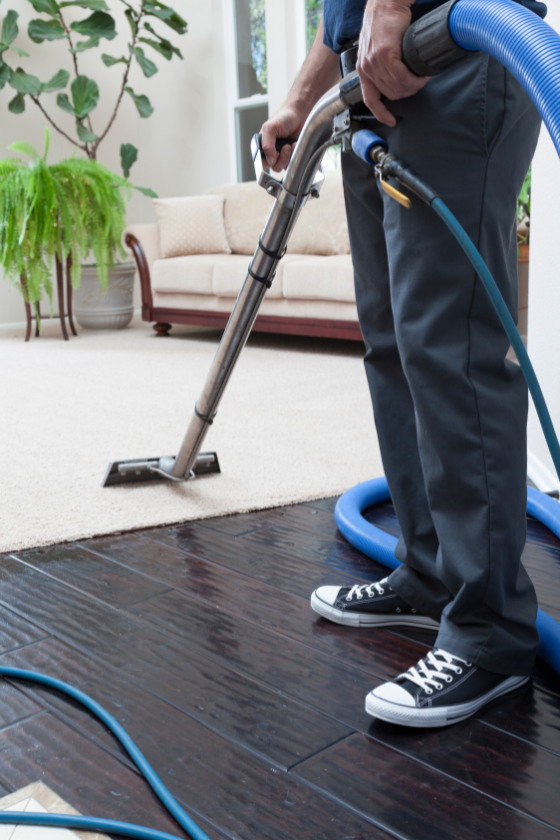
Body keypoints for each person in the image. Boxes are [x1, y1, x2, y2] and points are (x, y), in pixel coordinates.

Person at [260, 0, 545, 727]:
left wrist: (391, 6)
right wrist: (303, 96)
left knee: (452, 344)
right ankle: (428, 573)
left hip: (445, 47)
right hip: (372, 77)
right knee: (395, 340)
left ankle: (489, 632)